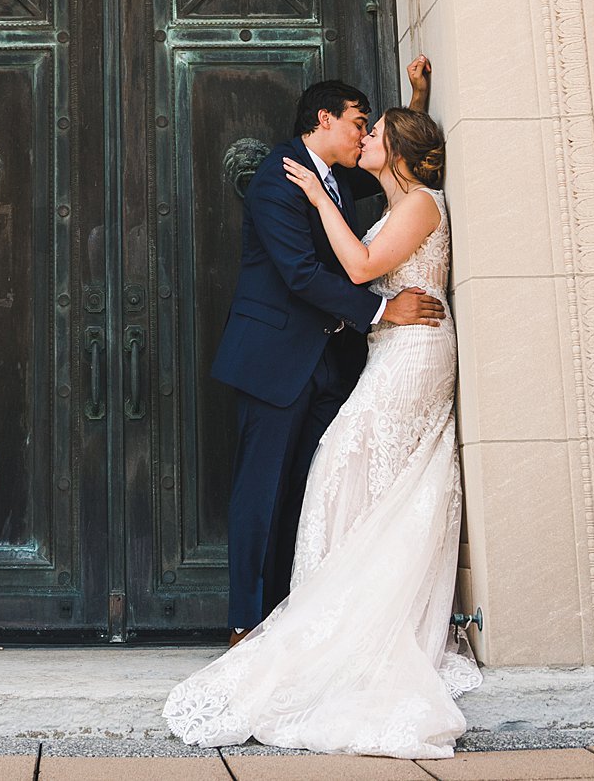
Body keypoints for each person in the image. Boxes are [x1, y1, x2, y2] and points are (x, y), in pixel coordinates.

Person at [165, 97, 475, 758]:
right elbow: (304, 271)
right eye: (358, 122)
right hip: (279, 359)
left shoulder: (347, 176)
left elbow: (400, 170)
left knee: (333, 480)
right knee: (263, 491)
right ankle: (249, 622)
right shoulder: (284, 175)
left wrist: (416, 104)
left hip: (344, 364)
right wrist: (381, 309)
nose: (365, 136)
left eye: (373, 129)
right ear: (325, 120)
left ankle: (314, 615)